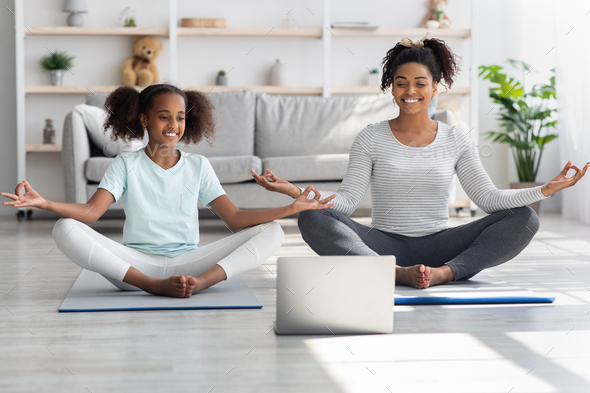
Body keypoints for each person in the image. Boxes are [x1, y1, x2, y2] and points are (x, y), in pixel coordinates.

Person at [252, 34, 589, 289]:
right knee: (313, 221)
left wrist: (546, 189)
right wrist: (294, 192)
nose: (409, 91)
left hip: (442, 244)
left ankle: (444, 273)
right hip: (381, 245)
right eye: (401, 83)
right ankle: (396, 274)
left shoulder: (455, 138)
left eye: (419, 83)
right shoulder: (370, 136)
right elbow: (347, 202)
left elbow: (489, 200)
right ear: (391, 88)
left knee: (525, 219)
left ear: (436, 88)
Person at [1, 84, 335, 298]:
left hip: (189, 262)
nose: (174, 125)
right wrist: (43, 203)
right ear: (144, 120)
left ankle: (201, 284)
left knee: (273, 232)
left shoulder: (198, 165)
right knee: (65, 229)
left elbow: (233, 217)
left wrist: (290, 209)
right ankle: (153, 287)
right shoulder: (125, 164)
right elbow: (91, 214)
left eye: (180, 117)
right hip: (133, 268)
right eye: (164, 117)